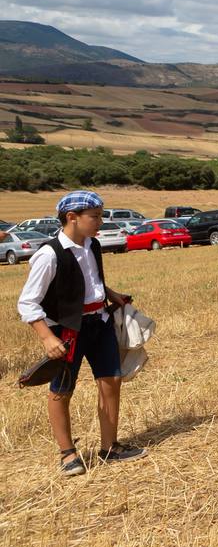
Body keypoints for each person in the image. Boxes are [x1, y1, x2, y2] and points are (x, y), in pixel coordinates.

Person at [16, 190, 141, 476]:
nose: (100, 222)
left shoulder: (92, 245)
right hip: (67, 331)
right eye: (95, 217)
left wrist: (111, 294)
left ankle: (110, 447)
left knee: (112, 380)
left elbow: (90, 280)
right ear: (72, 218)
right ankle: (67, 454)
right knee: (62, 389)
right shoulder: (49, 255)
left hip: (101, 322)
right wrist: (48, 337)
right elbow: (27, 302)